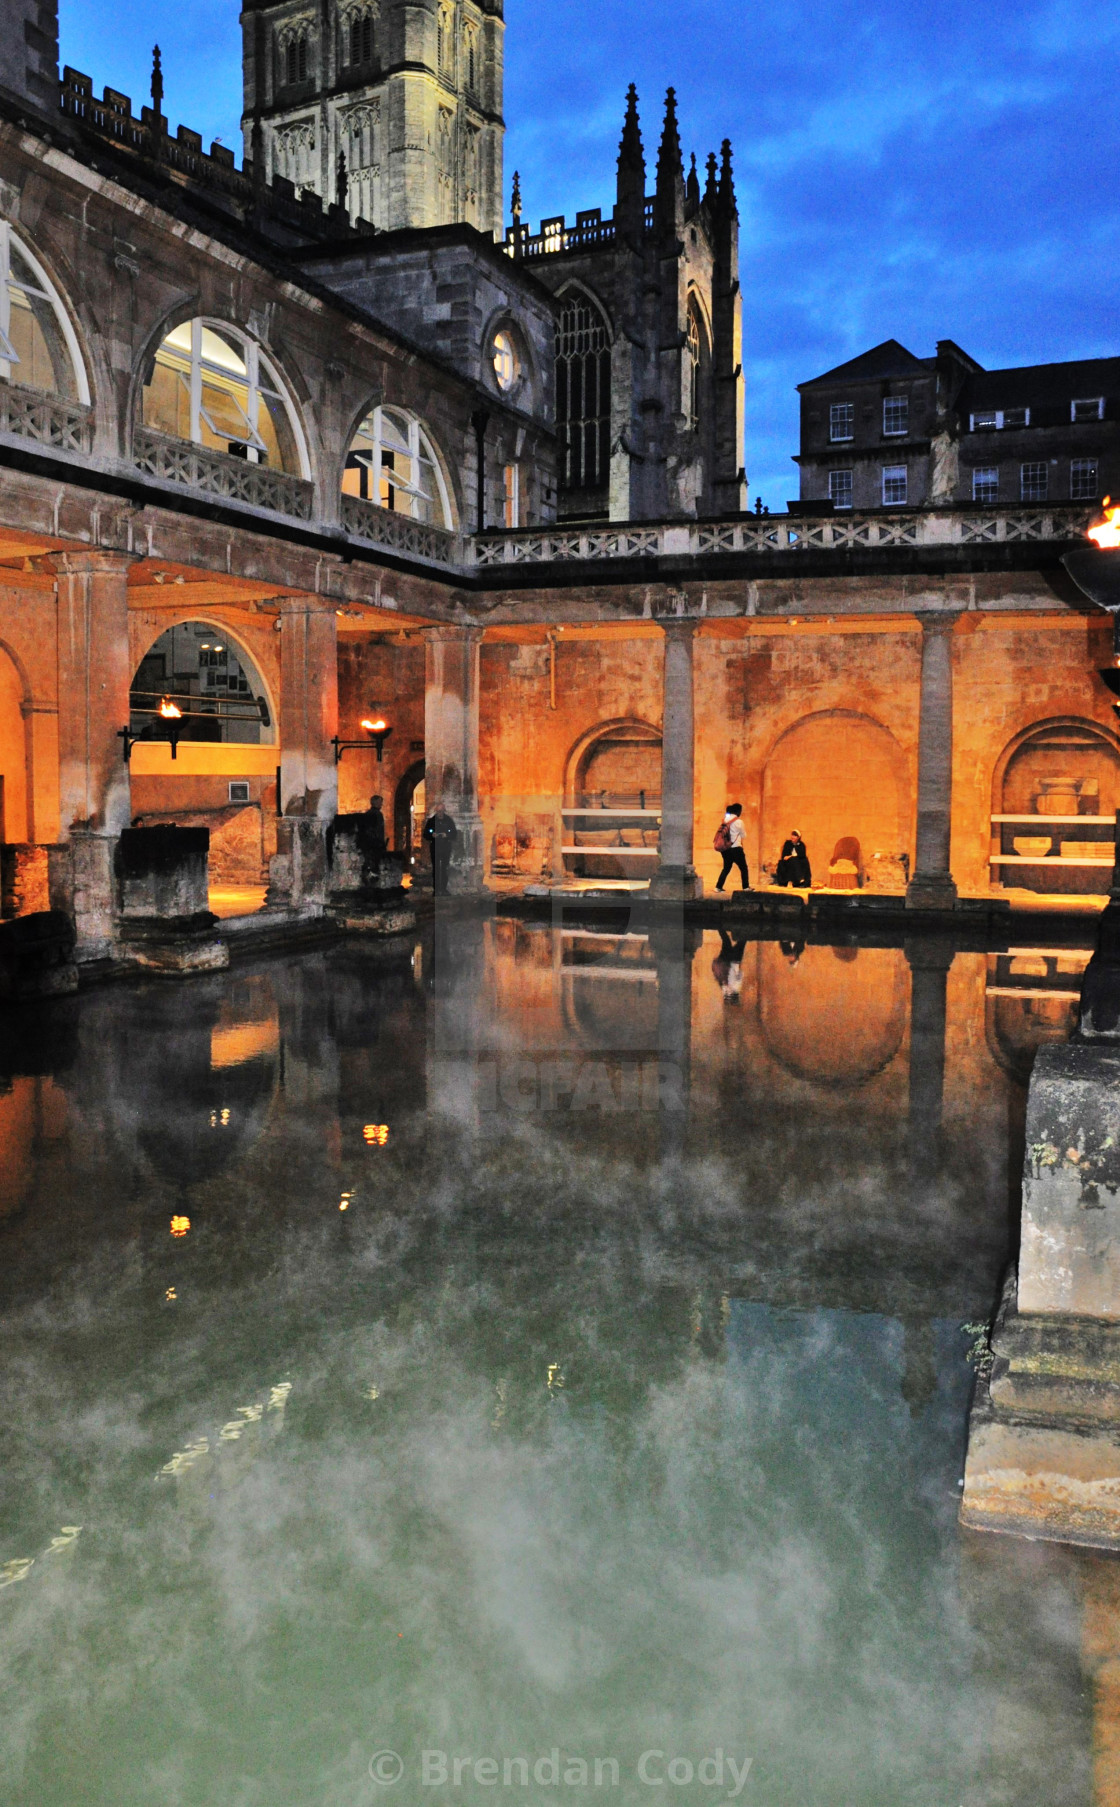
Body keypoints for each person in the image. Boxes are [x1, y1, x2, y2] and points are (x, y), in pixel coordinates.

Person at [423, 801, 458, 895]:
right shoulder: (431, 821)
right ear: (436, 811)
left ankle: (443, 888)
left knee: (444, 868)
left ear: (444, 811)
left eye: (442, 811)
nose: (440, 813)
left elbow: (454, 834)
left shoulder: (448, 820)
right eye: (438, 811)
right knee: (436, 868)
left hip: (445, 847)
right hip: (435, 847)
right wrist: (432, 835)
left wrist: (446, 835)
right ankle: (436, 889)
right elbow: (425, 834)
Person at [713, 803, 749, 892]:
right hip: (736, 847)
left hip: (725, 848)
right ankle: (746, 887)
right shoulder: (739, 821)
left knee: (726, 868)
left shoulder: (724, 820)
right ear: (737, 811)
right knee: (743, 868)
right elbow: (743, 835)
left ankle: (718, 887)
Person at [356, 793, 387, 886]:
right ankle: (372, 884)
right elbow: (376, 831)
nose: (381, 804)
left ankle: (369, 882)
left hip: (370, 844)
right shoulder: (376, 814)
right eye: (380, 802)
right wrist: (379, 843)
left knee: (370, 864)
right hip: (373, 845)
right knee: (373, 865)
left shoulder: (368, 814)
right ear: (376, 803)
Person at [711, 928, 746, 1002]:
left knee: (741, 941)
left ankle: (746, 927)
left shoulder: (736, 988)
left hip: (733, 961)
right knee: (726, 941)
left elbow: (741, 974)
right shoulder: (725, 989)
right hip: (725, 961)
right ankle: (718, 925)